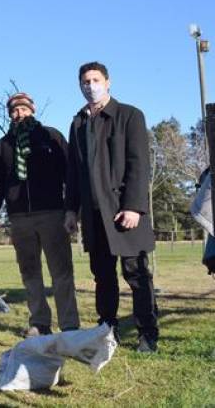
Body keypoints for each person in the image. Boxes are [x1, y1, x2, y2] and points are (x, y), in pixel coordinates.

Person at [64, 61, 159, 353]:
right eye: (84, 82)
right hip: (94, 216)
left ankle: (147, 334)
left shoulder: (129, 116)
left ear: (108, 82)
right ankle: (108, 331)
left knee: (136, 274)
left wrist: (133, 207)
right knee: (103, 277)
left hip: (124, 211)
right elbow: (73, 172)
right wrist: (71, 210)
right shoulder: (78, 123)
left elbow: (138, 165)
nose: (90, 86)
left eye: (95, 80)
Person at [0, 92, 80, 336]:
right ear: (9, 114)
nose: (20, 114)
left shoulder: (52, 137)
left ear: (33, 110)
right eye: (15, 111)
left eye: (24, 109)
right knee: (30, 272)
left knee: (61, 272)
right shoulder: (2, 147)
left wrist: (72, 209)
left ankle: (69, 324)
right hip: (20, 218)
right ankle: (39, 322)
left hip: (52, 214)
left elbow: (71, 174)